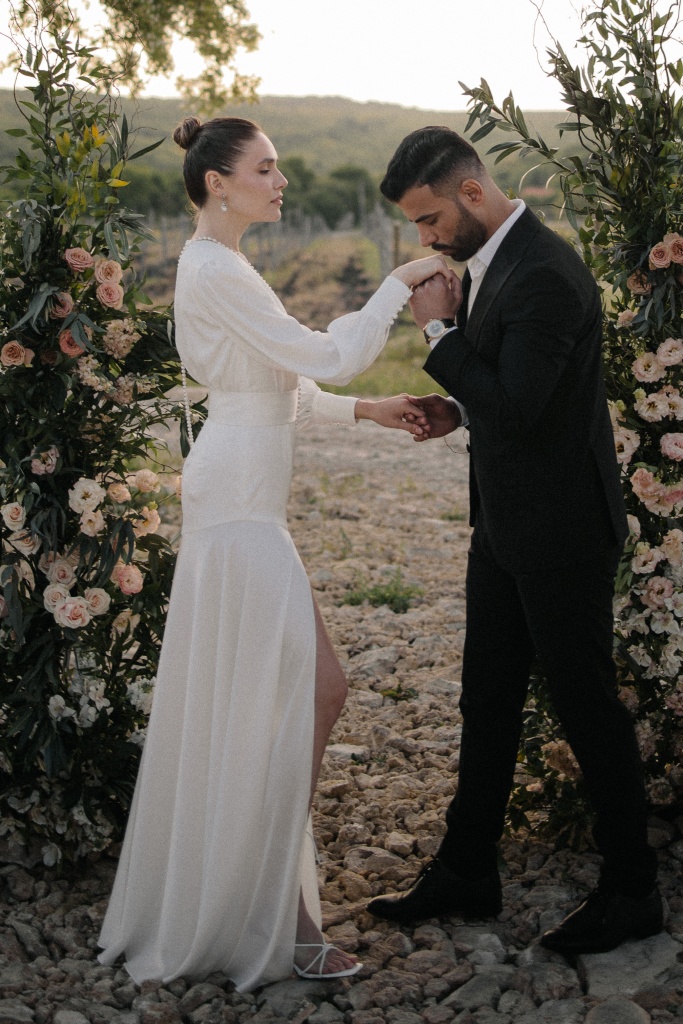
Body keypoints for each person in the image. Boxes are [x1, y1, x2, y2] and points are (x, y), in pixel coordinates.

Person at [97, 115, 451, 991]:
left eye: (279, 167)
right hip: (236, 507)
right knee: (307, 691)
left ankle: (269, 903)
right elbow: (327, 355)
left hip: (246, 496)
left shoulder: (221, 264)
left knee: (290, 693)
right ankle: (278, 918)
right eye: (265, 168)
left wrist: (366, 411)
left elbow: (273, 383)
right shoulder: (215, 270)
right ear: (216, 181)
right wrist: (399, 282)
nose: (280, 180)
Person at [366, 126, 663, 957]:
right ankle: (467, 868)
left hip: (562, 530)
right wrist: (455, 407)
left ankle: (632, 890)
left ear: (470, 192)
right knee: (485, 698)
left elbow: (520, 408)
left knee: (586, 708)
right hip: (502, 521)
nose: (426, 238)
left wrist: (438, 337)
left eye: (429, 219)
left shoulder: (546, 273)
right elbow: (507, 392)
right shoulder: (493, 262)